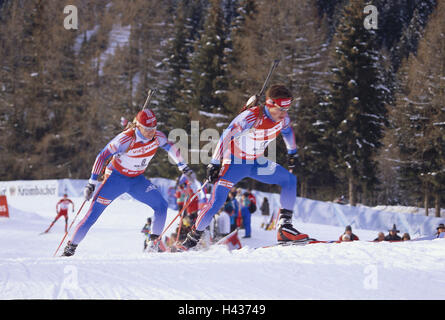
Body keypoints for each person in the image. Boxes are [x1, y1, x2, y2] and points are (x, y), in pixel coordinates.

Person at [181, 84, 310, 250]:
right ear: (270, 104)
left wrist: (292, 152)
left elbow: (287, 131)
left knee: (290, 180)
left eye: (287, 108)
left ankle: (284, 229)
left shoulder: (283, 118)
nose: (284, 113)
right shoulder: (251, 116)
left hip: (257, 163)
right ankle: (191, 239)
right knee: (216, 202)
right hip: (234, 163)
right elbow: (227, 134)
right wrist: (214, 162)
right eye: (280, 108)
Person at [61, 108, 194, 256]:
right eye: (147, 129)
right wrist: (91, 182)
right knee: (92, 215)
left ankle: (153, 246)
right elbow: (102, 156)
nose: (151, 132)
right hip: (116, 179)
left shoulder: (157, 136)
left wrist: (183, 166)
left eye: (154, 128)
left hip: (137, 180)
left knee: (161, 205)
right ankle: (70, 249)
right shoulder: (125, 139)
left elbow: (170, 147)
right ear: (138, 126)